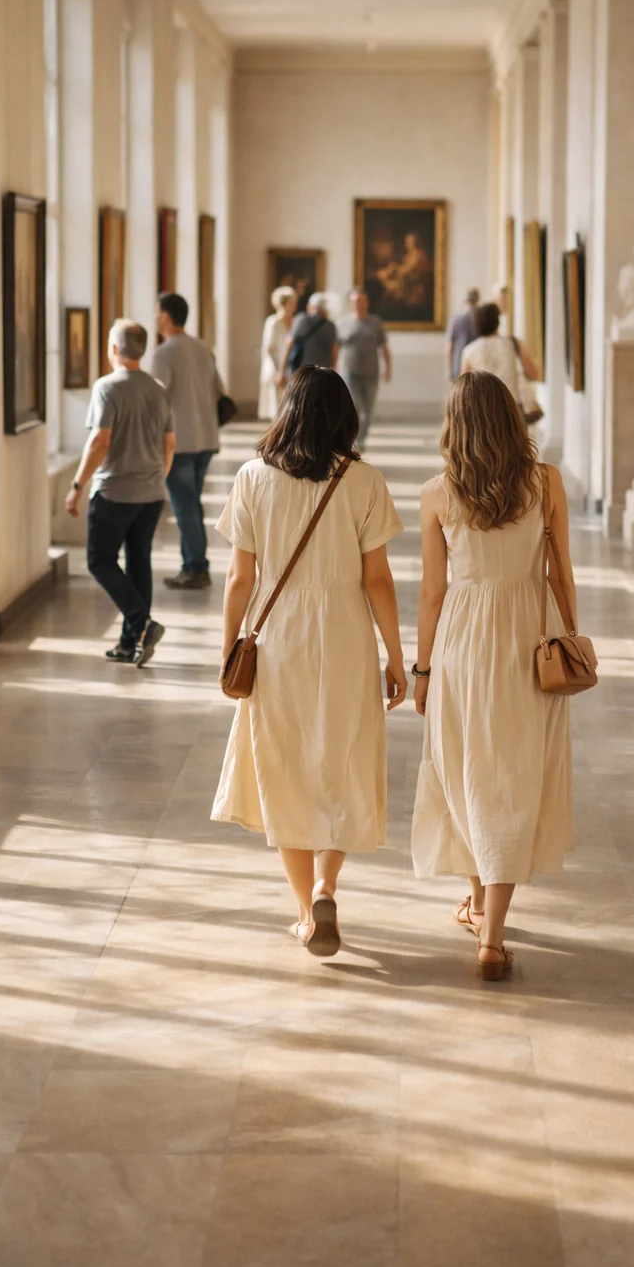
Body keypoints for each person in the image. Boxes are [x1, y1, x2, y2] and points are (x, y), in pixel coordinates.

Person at [214, 366, 407, 956]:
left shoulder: (252, 478)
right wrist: (398, 658)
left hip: (278, 639)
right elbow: (378, 579)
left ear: (287, 410)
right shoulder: (365, 481)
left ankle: (306, 911)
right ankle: (326, 884)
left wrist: (229, 647)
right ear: (345, 416)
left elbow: (240, 577)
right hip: (346, 634)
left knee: (284, 768)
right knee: (343, 761)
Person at [410, 371, 575, 980]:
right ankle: (491, 930)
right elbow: (561, 573)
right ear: (510, 419)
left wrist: (422, 669)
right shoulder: (544, 481)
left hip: (462, 637)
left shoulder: (437, 494)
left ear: (454, 425)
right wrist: (571, 639)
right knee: (514, 773)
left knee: (466, 768)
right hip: (530, 638)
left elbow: (432, 594)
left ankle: (480, 904)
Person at [66, 319, 174, 666]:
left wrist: (77, 486)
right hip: (151, 492)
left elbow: (100, 441)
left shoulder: (107, 387)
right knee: (139, 560)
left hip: (114, 491)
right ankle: (131, 643)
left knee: (100, 560)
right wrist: (158, 477)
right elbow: (169, 443)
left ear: (113, 349)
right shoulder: (157, 389)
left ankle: (142, 624)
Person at [150, 292, 225, 590]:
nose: (155, 318)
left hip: (179, 441)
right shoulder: (202, 349)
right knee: (192, 502)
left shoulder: (164, 353)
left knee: (184, 506)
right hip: (206, 437)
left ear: (167, 316)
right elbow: (219, 389)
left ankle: (195, 567)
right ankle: (194, 564)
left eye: (157, 313)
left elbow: (156, 400)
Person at [336, 288, 391, 450]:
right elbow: (335, 348)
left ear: (366, 302)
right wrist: (332, 369)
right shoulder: (342, 323)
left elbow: (385, 347)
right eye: (355, 301)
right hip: (349, 373)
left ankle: (361, 438)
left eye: (361, 301)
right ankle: (353, 439)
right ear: (351, 304)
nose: (358, 304)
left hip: (371, 373)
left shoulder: (375, 323)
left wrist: (388, 369)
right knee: (354, 407)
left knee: (367, 410)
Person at [460, 302, 520, 391]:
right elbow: (533, 374)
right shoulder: (512, 343)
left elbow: (463, 386)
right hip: (511, 401)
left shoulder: (469, 350)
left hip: (484, 402)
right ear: (497, 322)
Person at [258, 286, 297, 420]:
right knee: (277, 410)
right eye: (291, 302)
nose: (294, 305)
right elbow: (269, 349)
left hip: (290, 369)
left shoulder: (295, 322)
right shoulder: (273, 322)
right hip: (275, 370)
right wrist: (277, 372)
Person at [282, 291, 337, 376]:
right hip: (323, 374)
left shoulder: (301, 320)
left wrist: (281, 371)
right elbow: (334, 351)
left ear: (310, 306)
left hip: (301, 372)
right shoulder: (330, 326)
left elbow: (289, 344)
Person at [445, 288, 480, 382]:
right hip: (477, 365)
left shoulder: (455, 319)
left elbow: (450, 347)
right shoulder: (480, 319)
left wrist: (449, 370)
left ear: (465, 300)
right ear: (477, 300)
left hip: (459, 365)